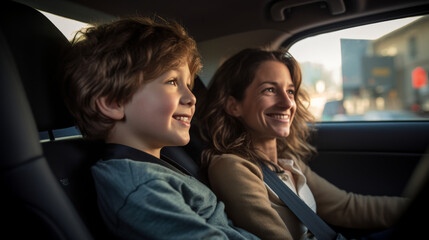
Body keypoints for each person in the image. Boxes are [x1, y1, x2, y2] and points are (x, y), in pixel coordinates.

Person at [62, 16, 259, 240]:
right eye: (173, 82)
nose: (192, 97)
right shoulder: (140, 188)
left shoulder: (155, 166)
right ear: (113, 103)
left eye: (189, 85)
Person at [197, 48, 409, 240]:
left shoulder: (287, 163)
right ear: (234, 106)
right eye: (269, 90)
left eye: (290, 91)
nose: (288, 103)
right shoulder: (231, 167)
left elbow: (346, 207)